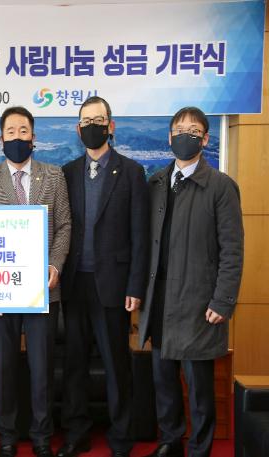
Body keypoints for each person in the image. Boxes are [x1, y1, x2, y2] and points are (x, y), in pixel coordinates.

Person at [139, 107, 244, 457]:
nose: (186, 135)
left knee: (199, 386)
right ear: (169, 137)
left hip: (199, 301)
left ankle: (200, 448)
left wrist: (223, 300)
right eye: (180, 130)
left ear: (205, 139)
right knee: (163, 379)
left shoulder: (221, 186)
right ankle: (170, 441)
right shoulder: (156, 182)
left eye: (194, 130)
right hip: (160, 298)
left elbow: (232, 249)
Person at [0, 106, 71, 457]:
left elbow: (64, 225)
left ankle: (42, 437)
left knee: (41, 366)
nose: (17, 137)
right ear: (0, 138)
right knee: (3, 365)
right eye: (10, 132)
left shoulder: (54, 176)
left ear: (34, 137)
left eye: (23, 131)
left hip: (44, 289)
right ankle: (7, 436)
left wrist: (55, 264)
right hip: (2, 291)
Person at [58, 96, 149, 457]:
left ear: (110, 126)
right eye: (86, 121)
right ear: (78, 129)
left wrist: (135, 285)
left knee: (116, 365)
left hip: (114, 286)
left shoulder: (131, 172)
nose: (92, 127)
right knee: (74, 364)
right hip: (74, 284)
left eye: (98, 120)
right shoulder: (67, 172)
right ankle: (76, 433)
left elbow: (140, 235)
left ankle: (121, 437)